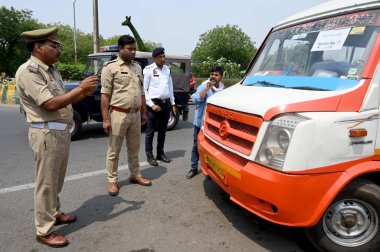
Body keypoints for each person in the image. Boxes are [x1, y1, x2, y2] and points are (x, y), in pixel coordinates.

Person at [15, 27, 98, 247]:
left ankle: (54, 211)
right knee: (46, 183)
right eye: (54, 46)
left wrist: (82, 92)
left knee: (56, 180)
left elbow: (61, 97)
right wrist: (81, 90)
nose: (58, 50)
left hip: (59, 131)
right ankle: (43, 230)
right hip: (46, 132)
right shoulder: (29, 71)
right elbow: (49, 103)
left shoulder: (52, 70)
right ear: (38, 47)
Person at [101, 35, 152, 197]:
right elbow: (105, 95)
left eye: (134, 48)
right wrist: (105, 119)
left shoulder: (137, 67)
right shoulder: (110, 67)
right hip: (118, 114)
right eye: (129, 49)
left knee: (134, 147)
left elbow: (141, 92)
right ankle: (112, 180)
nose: (133, 52)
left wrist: (144, 113)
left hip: (135, 114)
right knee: (114, 150)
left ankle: (135, 174)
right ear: (121, 49)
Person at [186, 66, 224, 179]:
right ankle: (193, 168)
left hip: (215, 125)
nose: (213, 77)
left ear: (221, 77)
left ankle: (209, 169)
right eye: (212, 74)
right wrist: (207, 89)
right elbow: (196, 100)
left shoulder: (223, 89)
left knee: (212, 148)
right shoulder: (204, 86)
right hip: (200, 123)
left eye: (216, 75)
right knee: (196, 145)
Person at [143, 47, 176, 166]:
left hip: (166, 102)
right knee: (150, 131)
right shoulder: (148, 70)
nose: (163, 59)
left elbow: (170, 87)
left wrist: (173, 103)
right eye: (160, 57)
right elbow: (144, 90)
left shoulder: (167, 70)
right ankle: (150, 156)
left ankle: (160, 153)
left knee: (163, 130)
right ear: (154, 58)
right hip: (154, 103)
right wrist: (151, 105)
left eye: (164, 56)